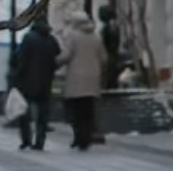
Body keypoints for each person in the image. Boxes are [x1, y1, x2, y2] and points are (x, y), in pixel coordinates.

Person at [56, 11, 108, 151]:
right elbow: (104, 58)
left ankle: (79, 138)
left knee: (76, 111)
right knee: (88, 111)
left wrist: (55, 62)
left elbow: (66, 55)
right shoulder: (96, 37)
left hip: (76, 79)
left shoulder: (73, 36)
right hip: (93, 79)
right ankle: (86, 137)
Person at [14, 16, 61, 151]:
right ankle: (40, 141)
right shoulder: (51, 39)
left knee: (24, 112)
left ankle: (26, 140)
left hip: (27, 82)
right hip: (46, 82)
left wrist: (17, 77)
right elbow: (58, 54)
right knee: (42, 115)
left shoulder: (28, 38)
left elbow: (21, 59)